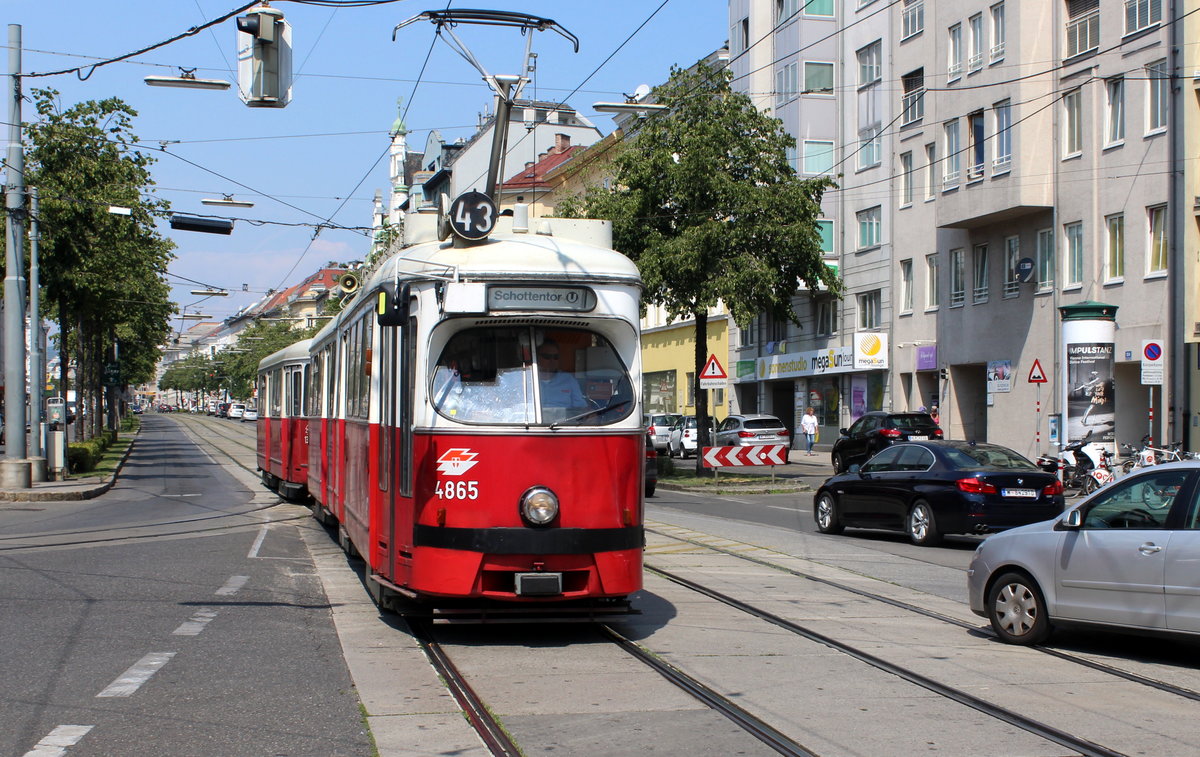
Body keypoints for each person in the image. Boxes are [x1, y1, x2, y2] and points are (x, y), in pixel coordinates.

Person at [536, 339, 586, 410]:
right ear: (537, 358)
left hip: (564, 417)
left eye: (555, 357)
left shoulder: (568, 379)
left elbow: (581, 407)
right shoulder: (528, 379)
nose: (552, 361)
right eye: (547, 356)